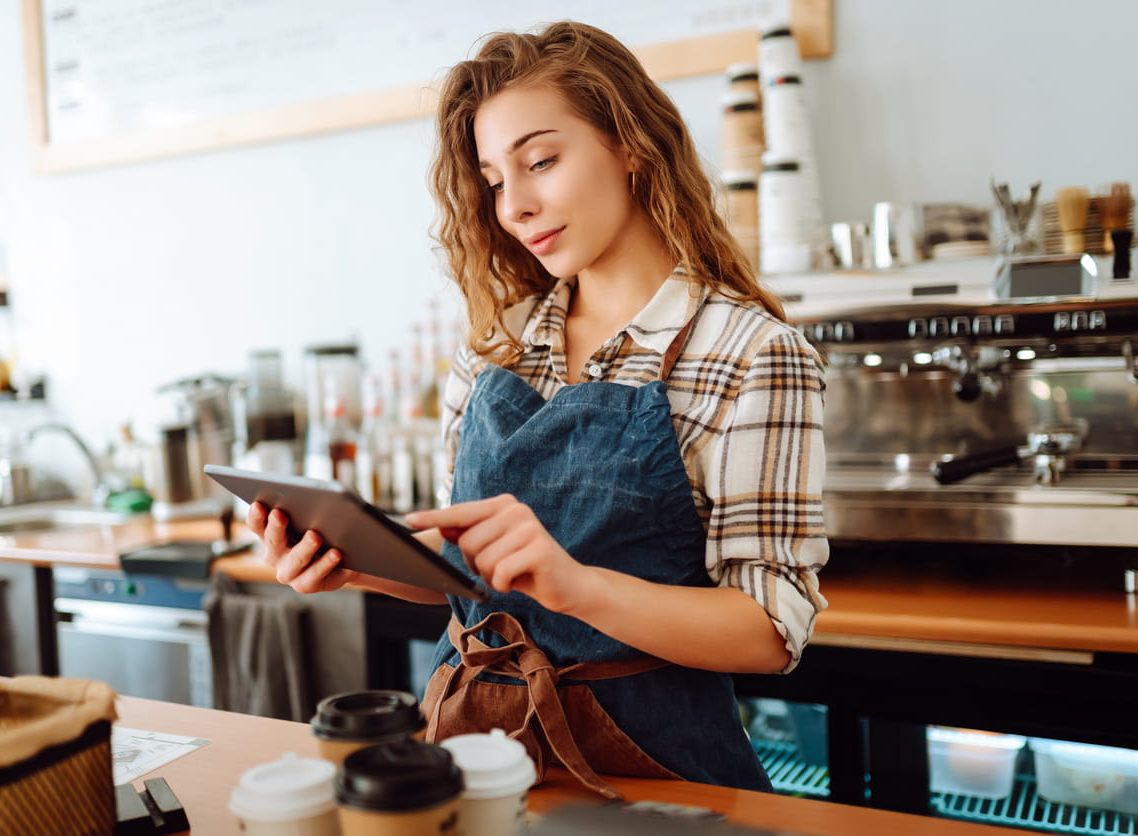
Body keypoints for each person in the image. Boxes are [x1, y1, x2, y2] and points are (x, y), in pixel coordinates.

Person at [247, 20, 827, 797]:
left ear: (631, 144)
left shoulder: (752, 353)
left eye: (541, 161)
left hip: (651, 776)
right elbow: (472, 576)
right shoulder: (495, 347)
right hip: (473, 758)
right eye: (493, 181)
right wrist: (360, 563)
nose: (514, 206)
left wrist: (575, 585)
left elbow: (769, 631)